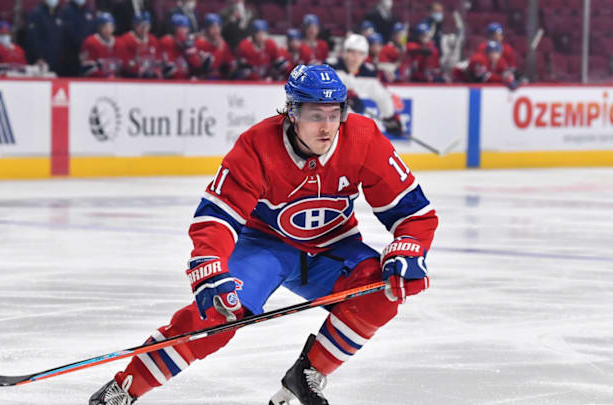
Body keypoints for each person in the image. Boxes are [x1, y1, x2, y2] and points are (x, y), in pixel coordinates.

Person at [88, 63, 438, 405]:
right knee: (219, 313)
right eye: (316, 116)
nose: (328, 127)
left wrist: (410, 248)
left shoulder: (363, 137)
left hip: (333, 249)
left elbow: (415, 212)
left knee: (384, 288)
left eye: (335, 114)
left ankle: (307, 375)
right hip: (266, 246)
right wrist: (210, 261)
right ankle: (123, 390)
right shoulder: (256, 145)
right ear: (292, 112)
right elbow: (218, 214)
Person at [334, 34, 402, 135]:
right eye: (352, 52)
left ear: (365, 56)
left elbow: (382, 96)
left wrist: (390, 117)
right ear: (345, 52)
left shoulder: (369, 73)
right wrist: (346, 96)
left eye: (360, 54)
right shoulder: (332, 67)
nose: (355, 58)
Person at [159, 13, 208, 79]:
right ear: (173, 29)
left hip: (187, 81)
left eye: (185, 27)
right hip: (171, 82)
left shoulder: (190, 42)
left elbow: (197, 67)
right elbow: (167, 69)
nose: (183, 30)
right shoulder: (167, 41)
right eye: (180, 27)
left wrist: (191, 53)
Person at [79, 12, 125, 77]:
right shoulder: (90, 42)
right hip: (96, 83)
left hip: (117, 82)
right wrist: (105, 77)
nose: (107, 29)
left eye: (110, 26)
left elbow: (125, 66)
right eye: (104, 26)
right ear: (98, 27)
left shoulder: (120, 43)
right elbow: (86, 68)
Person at [25, 0, 64, 74]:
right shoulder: (36, 13)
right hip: (42, 60)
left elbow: (61, 36)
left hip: (57, 59)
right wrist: (38, 57)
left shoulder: (59, 13)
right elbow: (33, 37)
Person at [60, 0, 96, 77]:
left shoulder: (89, 11)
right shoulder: (66, 10)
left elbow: (93, 29)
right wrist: (82, 46)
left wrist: (88, 46)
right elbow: (68, 31)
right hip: (71, 54)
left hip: (88, 53)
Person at [119, 11, 160, 78]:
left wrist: (156, 70)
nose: (143, 28)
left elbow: (158, 61)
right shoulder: (125, 40)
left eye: (146, 25)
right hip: (131, 77)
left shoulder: (153, 40)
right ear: (134, 25)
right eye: (140, 25)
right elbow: (124, 65)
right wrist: (135, 66)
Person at [194, 13, 234, 79]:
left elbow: (230, 64)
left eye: (218, 27)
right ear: (206, 29)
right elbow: (197, 68)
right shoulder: (199, 42)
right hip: (202, 80)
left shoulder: (223, 44)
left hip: (218, 81)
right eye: (213, 27)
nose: (216, 30)